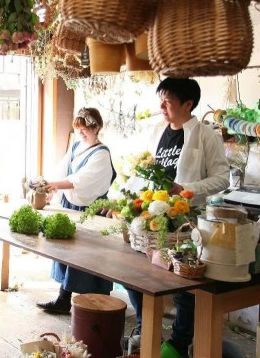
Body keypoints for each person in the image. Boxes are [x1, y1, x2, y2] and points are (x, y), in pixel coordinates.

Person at [125, 77, 230, 357]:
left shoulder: (205, 135)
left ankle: (179, 343)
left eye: (168, 100)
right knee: (135, 274)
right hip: (154, 219)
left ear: (187, 104)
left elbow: (222, 178)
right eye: (161, 98)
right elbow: (143, 172)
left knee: (184, 285)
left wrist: (186, 189)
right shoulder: (157, 130)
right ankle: (145, 328)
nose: (162, 104)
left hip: (187, 221)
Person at [36, 107, 117, 314]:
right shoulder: (76, 146)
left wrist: (57, 184)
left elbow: (82, 180)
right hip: (72, 206)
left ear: (96, 127)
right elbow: (62, 170)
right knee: (68, 255)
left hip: (91, 209)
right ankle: (63, 299)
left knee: (90, 259)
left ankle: (99, 305)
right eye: (78, 129)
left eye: (85, 129)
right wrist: (51, 188)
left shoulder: (101, 154)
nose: (81, 133)